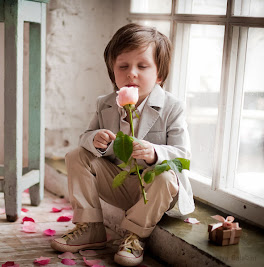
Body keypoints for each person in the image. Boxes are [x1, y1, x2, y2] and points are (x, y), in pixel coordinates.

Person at [50, 23, 195, 266]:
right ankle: (91, 227)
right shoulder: (105, 104)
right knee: (77, 155)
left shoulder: (172, 107)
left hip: (153, 189)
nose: (132, 74)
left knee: (167, 176)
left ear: (159, 74)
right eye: (123, 66)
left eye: (142, 66)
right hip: (118, 183)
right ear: (112, 72)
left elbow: (183, 156)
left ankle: (135, 235)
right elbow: (85, 136)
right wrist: (94, 140)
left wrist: (154, 153)